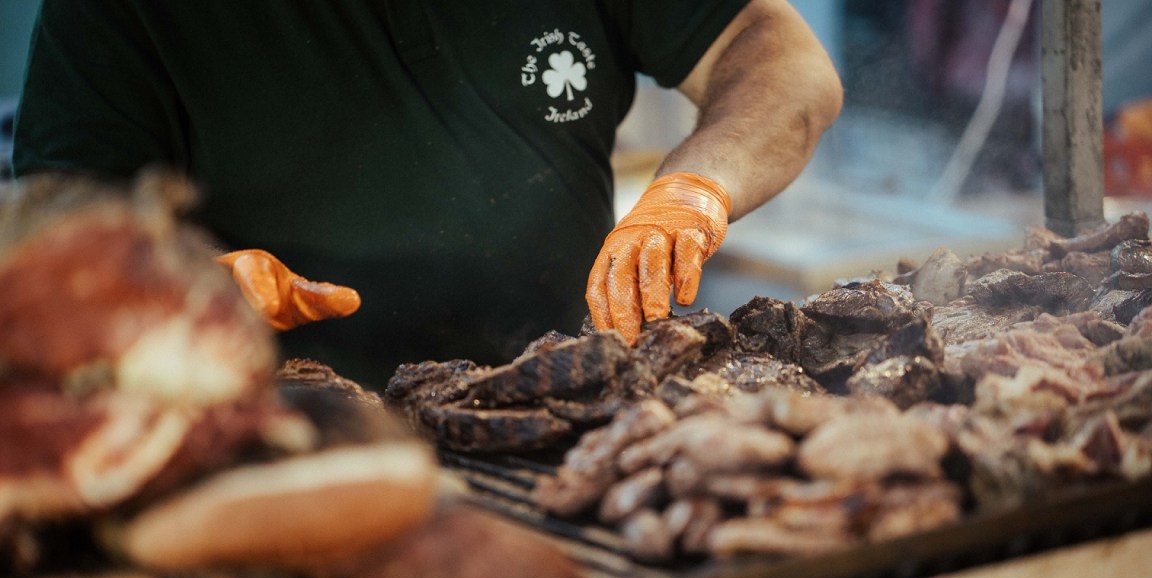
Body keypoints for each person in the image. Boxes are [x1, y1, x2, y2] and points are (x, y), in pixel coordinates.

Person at [13, 0, 842, 389]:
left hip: (572, 398)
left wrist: (698, 186)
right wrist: (165, 284)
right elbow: (54, 241)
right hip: (286, 441)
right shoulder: (114, 17)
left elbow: (776, 56)